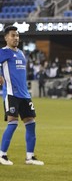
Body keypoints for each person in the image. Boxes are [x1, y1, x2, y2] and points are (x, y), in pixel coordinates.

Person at [0, 25, 44, 166]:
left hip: (25, 95)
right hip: (11, 94)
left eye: (17, 35)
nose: (16, 38)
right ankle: (2, 155)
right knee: (12, 123)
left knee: (31, 124)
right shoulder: (4, 52)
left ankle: (30, 157)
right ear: (6, 37)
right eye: (13, 35)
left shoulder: (20, 53)